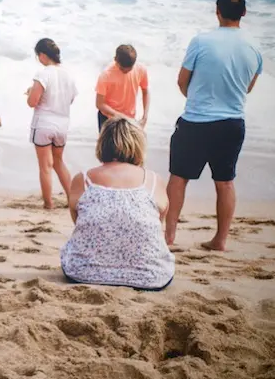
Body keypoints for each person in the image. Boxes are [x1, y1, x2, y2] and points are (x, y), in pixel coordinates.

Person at [165, 0, 263, 251]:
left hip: (196, 121)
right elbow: (248, 87)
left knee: (179, 177)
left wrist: (196, 99)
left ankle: (169, 237)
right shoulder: (254, 46)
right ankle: (220, 240)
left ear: (216, 10)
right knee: (225, 181)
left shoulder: (201, 41)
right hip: (232, 123)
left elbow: (182, 81)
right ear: (244, 12)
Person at [61, 117, 174, 291]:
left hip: (84, 271)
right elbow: (158, 222)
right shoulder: (153, 181)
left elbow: (79, 221)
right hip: (149, 275)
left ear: (102, 144)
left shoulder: (83, 180)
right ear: (138, 145)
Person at [25, 38, 77, 209]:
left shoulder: (43, 73)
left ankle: (48, 203)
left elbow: (33, 102)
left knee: (45, 166)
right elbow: (70, 100)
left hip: (44, 123)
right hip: (62, 123)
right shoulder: (68, 74)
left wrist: (29, 92)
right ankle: (72, 198)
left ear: (42, 55)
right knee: (58, 162)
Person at [95, 44, 150, 131]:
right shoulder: (105, 75)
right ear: (115, 60)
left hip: (129, 119)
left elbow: (145, 91)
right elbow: (99, 104)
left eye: (129, 69)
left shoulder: (141, 70)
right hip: (108, 119)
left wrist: (145, 117)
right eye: (123, 69)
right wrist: (121, 116)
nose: (126, 71)